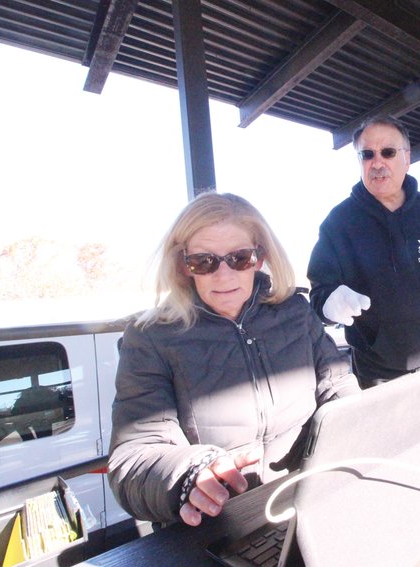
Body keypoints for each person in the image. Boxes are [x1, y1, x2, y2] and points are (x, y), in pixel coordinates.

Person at [107, 192, 360, 527]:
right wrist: (190, 473)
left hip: (302, 505)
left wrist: (360, 430)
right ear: (184, 265)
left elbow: (338, 386)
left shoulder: (295, 313)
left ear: (260, 257)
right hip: (213, 528)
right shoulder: (151, 337)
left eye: (239, 259)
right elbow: (135, 455)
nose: (223, 276)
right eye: (204, 262)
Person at [307, 116, 420, 387]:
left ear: (406, 158)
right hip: (377, 373)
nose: (377, 162)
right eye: (367, 154)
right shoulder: (339, 223)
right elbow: (319, 293)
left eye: (388, 152)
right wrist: (329, 303)